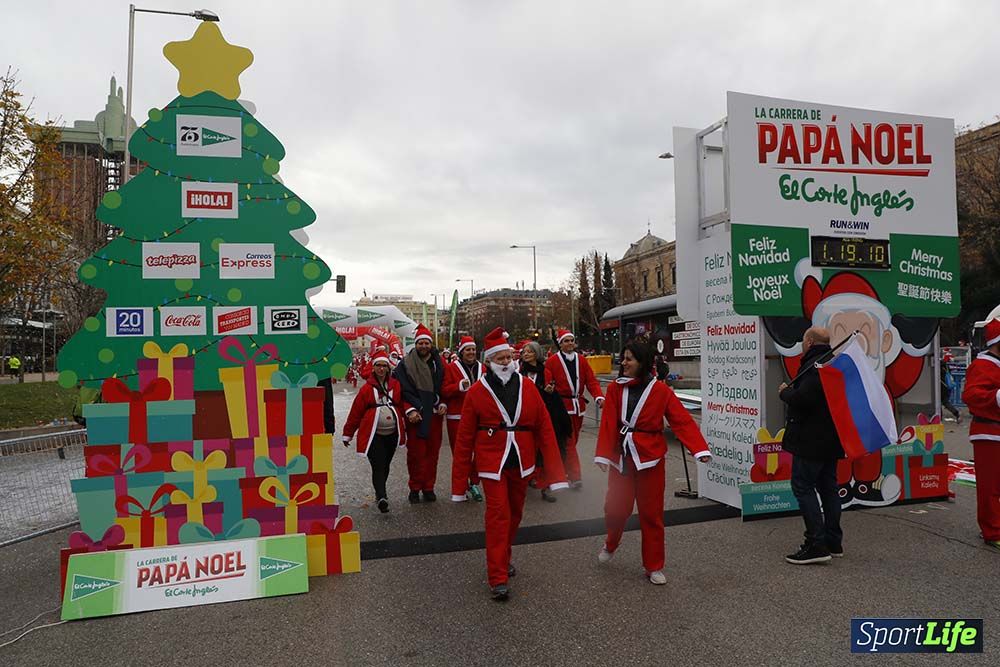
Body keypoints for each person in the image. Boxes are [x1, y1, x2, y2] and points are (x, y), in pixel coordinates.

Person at [452, 327, 568, 601]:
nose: (505, 362)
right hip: (491, 462)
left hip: (521, 460)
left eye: (508, 357)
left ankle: (503, 556)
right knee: (497, 515)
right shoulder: (477, 391)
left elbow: (545, 428)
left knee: (515, 514)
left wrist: (556, 473)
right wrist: (459, 484)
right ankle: (497, 576)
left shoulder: (528, 387)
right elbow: (464, 439)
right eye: (500, 358)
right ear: (489, 361)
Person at [594, 340, 711, 584]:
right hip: (622, 458)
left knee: (651, 514)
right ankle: (611, 543)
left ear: (642, 362)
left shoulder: (661, 391)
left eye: (629, 359)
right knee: (615, 509)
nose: (623, 363)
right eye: (623, 358)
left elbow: (681, 420)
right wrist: (603, 454)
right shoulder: (615, 388)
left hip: (651, 459)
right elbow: (608, 422)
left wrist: (699, 449)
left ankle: (654, 565)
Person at [778, 326, 845, 565]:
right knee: (828, 488)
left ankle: (816, 543)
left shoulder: (814, 367)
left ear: (809, 342)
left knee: (803, 487)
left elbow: (804, 399)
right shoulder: (833, 363)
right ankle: (833, 541)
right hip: (831, 438)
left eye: (803, 340)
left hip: (810, 440)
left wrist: (785, 393)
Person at [342, 350, 405, 513]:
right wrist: (348, 434)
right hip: (374, 435)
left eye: (384, 366)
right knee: (378, 465)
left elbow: (402, 405)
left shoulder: (396, 385)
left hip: (392, 434)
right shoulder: (366, 389)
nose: (381, 369)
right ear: (373, 367)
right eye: (378, 366)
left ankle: (380, 492)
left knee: (386, 465)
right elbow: (356, 412)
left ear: (388, 368)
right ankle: (382, 496)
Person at [544, 329, 604, 489]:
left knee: (573, 441)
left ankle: (564, 470)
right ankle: (575, 476)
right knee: (569, 442)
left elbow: (591, 381)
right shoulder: (552, 361)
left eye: (572, 340)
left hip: (579, 407)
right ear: (560, 344)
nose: (570, 343)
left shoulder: (581, 360)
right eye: (566, 341)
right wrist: (548, 389)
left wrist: (599, 396)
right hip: (562, 408)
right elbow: (547, 381)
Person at [393, 324, 446, 503]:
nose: (424, 346)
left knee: (432, 454)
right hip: (416, 415)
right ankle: (415, 488)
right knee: (416, 455)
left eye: (426, 343)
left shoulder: (440, 363)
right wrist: (410, 409)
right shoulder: (405, 364)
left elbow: (444, 387)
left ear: (431, 344)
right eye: (420, 343)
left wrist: (443, 402)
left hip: (434, 415)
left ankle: (429, 487)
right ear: (415, 344)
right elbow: (400, 391)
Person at [961, 317, 1000, 552]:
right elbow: (971, 395)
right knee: (990, 486)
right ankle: (992, 531)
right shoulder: (983, 365)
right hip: (989, 433)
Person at [520, 340, 572, 502]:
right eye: (524, 352)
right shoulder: (520, 372)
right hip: (524, 417)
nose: (526, 354)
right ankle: (529, 477)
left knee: (545, 451)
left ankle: (546, 485)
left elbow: (551, 394)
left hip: (544, 414)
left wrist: (548, 392)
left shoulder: (546, 372)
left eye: (529, 351)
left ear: (536, 354)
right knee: (528, 450)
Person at [442, 335, 486, 501]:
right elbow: (444, 390)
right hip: (457, 416)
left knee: (481, 451)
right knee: (461, 454)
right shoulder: (451, 368)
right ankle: (464, 485)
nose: (471, 352)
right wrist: (458, 386)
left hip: (480, 416)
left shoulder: (483, 368)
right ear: (461, 352)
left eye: (473, 349)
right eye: (468, 349)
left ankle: (473, 480)